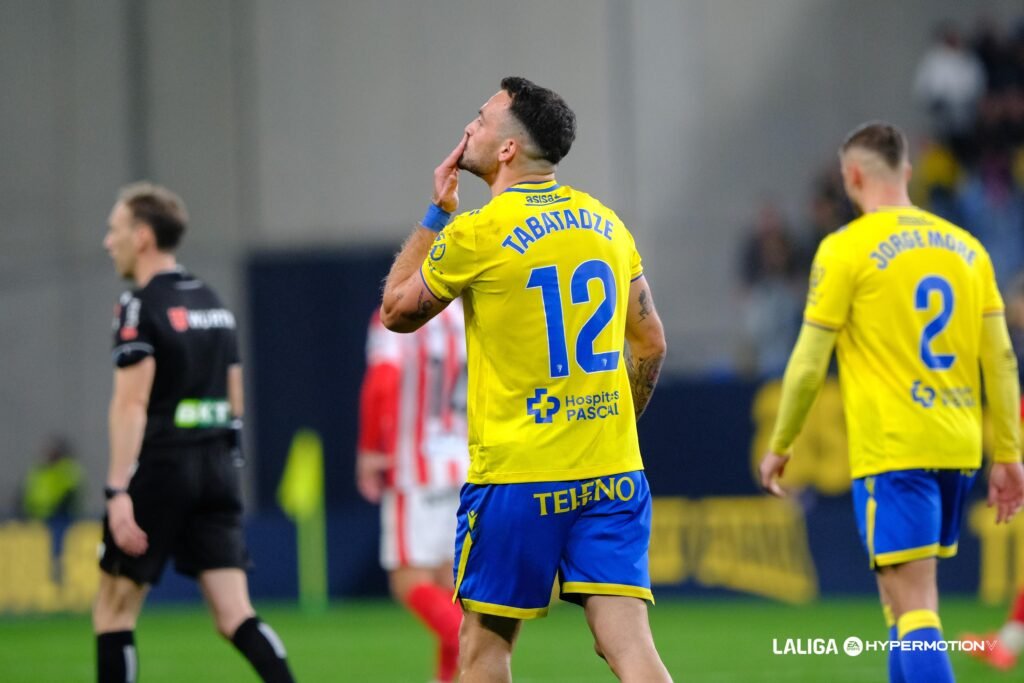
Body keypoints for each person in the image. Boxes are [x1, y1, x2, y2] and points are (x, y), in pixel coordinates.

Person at [379, 77, 671, 682]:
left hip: (517, 479)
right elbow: (650, 342)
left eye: (481, 120)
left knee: (486, 649)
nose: (469, 130)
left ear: (508, 149)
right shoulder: (606, 224)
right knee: (630, 646)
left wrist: (437, 212)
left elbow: (395, 312)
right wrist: (614, 421)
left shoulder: (477, 232)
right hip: (611, 471)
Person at [759, 122, 1024, 683]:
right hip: (956, 447)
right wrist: (1008, 454)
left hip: (895, 450)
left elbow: (809, 360)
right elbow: (1001, 361)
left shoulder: (845, 249)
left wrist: (781, 442)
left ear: (852, 176)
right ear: (906, 172)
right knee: (903, 608)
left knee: (916, 610)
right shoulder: (968, 249)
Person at [93, 182, 295, 683]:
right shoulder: (214, 301)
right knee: (235, 616)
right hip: (218, 470)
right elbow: (235, 397)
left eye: (114, 230)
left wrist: (118, 491)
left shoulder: (138, 306)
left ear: (141, 237)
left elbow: (131, 403)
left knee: (113, 613)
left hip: (162, 468)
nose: (107, 241)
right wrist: (228, 466)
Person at [356, 300, 468, 683]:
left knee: (410, 584)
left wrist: (372, 448)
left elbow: (383, 379)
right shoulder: (468, 311)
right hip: (464, 466)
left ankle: (477, 643)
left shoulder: (400, 313)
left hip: (416, 467)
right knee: (447, 587)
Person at [18, 434, 83, 521]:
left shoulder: (66, 469)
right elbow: (28, 491)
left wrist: (61, 508)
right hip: (35, 517)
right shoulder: (39, 469)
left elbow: (71, 493)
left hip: (59, 517)